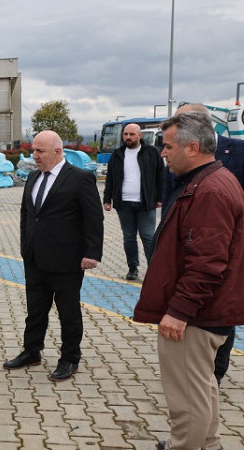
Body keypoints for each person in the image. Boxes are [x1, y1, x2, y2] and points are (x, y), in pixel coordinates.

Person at [135, 111, 244, 450]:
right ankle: (208, 444)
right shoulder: (211, 180)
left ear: (192, 148)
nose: (163, 154)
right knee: (202, 387)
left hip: (196, 316)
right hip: (207, 311)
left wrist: (179, 311)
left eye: (168, 147)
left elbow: (207, 263)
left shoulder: (208, 191)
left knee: (187, 399)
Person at [3, 130, 103, 381]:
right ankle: (32, 351)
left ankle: (70, 358)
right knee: (35, 309)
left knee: (68, 312)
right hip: (35, 257)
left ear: (58, 151)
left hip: (67, 259)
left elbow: (94, 218)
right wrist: (25, 246)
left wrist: (92, 253)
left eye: (40, 151)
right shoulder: (33, 177)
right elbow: (28, 214)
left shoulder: (80, 178)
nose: (34, 156)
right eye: (33, 151)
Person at [164, 103, 244, 387]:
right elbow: (170, 197)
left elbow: (210, 258)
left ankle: (216, 372)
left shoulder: (235, 155)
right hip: (187, 256)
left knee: (219, 317)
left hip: (221, 257)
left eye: (182, 121)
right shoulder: (176, 155)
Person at [103, 123, 163, 280]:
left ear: (139, 136)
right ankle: (132, 268)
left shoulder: (152, 153)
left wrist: (160, 198)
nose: (128, 137)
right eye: (125, 134)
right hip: (124, 204)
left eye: (131, 134)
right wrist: (107, 199)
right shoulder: (117, 155)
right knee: (129, 237)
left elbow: (160, 176)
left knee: (148, 236)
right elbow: (110, 179)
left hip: (146, 203)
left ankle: (154, 269)